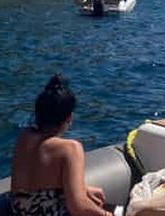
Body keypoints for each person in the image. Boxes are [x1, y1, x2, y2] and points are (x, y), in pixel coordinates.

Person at [11, 74, 111, 216]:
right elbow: (79, 208)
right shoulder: (70, 149)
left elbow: (39, 187)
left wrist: (83, 189)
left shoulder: (24, 137)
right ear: (69, 118)